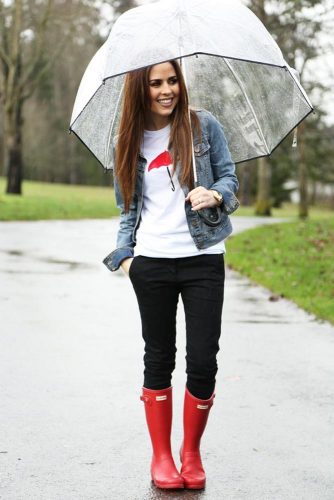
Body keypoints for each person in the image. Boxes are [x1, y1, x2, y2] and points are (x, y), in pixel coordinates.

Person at [103, 59, 239, 490]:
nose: (166, 90)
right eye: (155, 83)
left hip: (204, 259)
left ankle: (190, 452)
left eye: (172, 80)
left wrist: (216, 192)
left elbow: (232, 178)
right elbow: (128, 209)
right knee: (158, 357)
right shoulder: (128, 140)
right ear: (139, 91)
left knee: (203, 359)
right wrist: (127, 260)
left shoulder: (204, 126)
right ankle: (161, 456)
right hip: (153, 263)